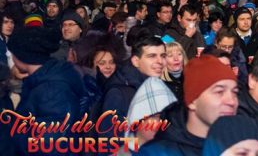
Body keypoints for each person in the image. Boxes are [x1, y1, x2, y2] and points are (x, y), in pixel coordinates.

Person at [7, 26, 87, 154]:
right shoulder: (43, 79)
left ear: (22, 56)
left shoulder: (51, 91)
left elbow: (50, 144)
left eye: (12, 54)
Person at [139, 55, 239, 155]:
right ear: (192, 102)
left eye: (235, 92)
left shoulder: (241, 146)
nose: (231, 101)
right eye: (219, 92)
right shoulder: (156, 153)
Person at [100, 35, 167, 120]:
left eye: (163, 56)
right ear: (136, 61)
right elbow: (109, 127)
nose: (160, 61)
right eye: (152, 56)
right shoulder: (118, 93)